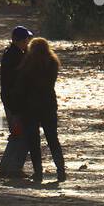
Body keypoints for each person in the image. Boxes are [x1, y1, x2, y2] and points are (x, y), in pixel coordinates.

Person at [15, 37, 66, 184]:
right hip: (48, 105)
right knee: (53, 139)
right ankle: (61, 171)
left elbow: (21, 87)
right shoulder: (53, 63)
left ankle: (38, 172)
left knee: (34, 141)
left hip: (30, 107)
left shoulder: (27, 65)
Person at [0, 26, 32, 178]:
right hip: (16, 103)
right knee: (23, 135)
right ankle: (14, 168)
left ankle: (6, 167)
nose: (28, 42)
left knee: (17, 134)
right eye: (26, 40)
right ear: (19, 41)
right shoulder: (17, 57)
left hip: (10, 100)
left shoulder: (11, 53)